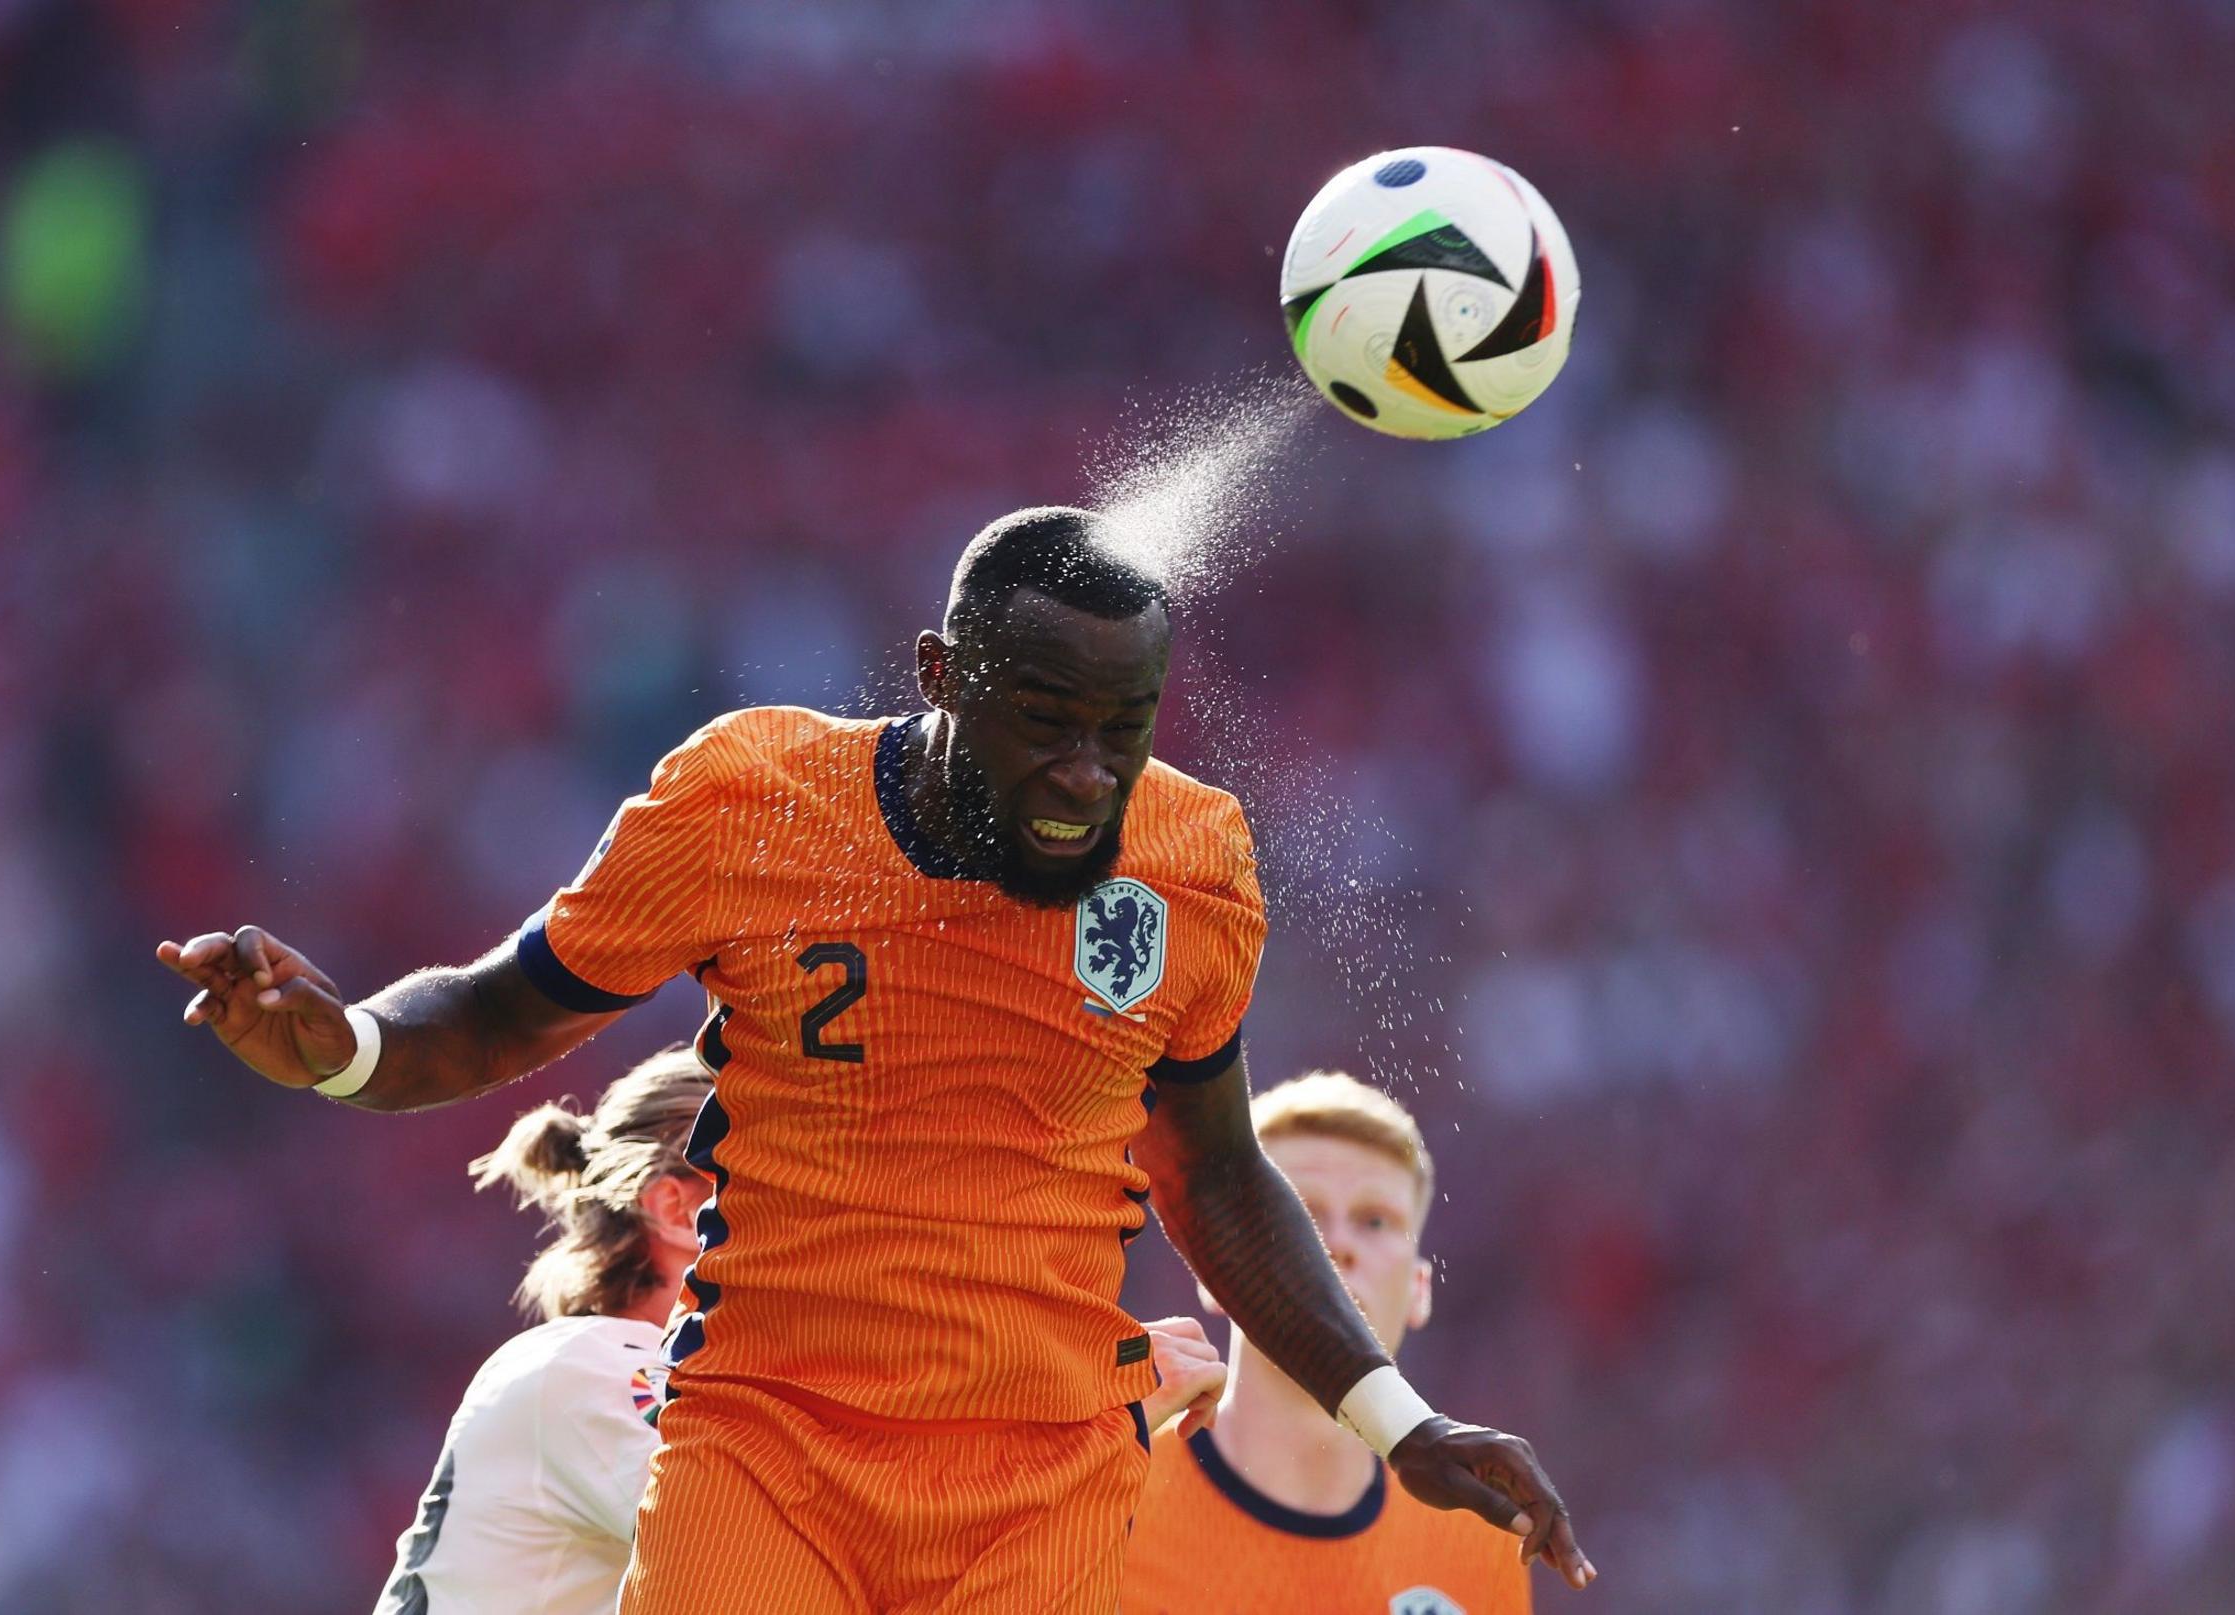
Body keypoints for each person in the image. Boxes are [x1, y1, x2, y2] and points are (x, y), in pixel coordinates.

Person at [158, 506, 1593, 1612]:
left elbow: (1213, 1172)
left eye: (1124, 729)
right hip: (768, 1449)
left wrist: (1396, 1418)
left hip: (1037, 1487)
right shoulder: (752, 802)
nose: (1091, 773)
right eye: (1046, 723)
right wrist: (342, 1045)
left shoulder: (1192, 862)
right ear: (942, 674)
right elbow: (494, 1009)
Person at [373, 1043, 1228, 1614]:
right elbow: (839, 1564)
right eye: (798, 1170)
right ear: (675, 1210)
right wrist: (1089, 1412)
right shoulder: (590, 1365)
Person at [1121, 1070, 1531, 1615]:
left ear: (1419, 1290)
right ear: (1214, 1268)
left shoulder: (1480, 1536)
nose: (1336, 1245)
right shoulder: (1109, 1494)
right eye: (1302, 1216)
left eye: (1375, 1221)